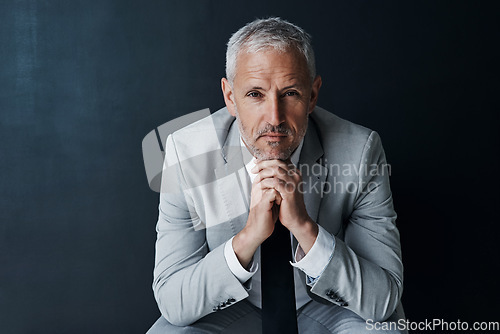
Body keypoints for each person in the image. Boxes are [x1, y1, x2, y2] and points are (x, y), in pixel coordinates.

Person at [147, 17, 406, 334]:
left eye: (291, 93)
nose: (274, 118)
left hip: (326, 309)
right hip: (229, 312)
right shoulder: (186, 154)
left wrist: (305, 228)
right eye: (255, 94)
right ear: (230, 97)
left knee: (385, 330)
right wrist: (247, 238)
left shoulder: (359, 152)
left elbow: (383, 300)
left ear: (312, 95)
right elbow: (174, 301)